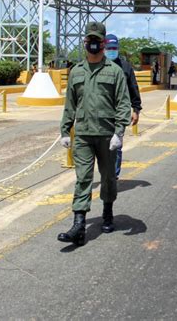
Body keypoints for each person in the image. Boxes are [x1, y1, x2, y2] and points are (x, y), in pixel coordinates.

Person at [58, 21, 131, 246]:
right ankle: (79, 224)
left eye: (97, 41)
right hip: (83, 135)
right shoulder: (76, 71)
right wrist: (64, 130)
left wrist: (119, 132)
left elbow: (123, 103)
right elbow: (70, 104)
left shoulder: (115, 71)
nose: (93, 45)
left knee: (108, 178)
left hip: (108, 135)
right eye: (89, 40)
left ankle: (108, 213)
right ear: (84, 42)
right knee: (83, 178)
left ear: (103, 43)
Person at [105, 33, 142, 179]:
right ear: (104, 48)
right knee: (101, 146)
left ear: (118, 48)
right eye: (109, 48)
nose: (112, 50)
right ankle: (105, 173)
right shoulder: (97, 64)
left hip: (119, 113)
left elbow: (134, 87)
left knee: (117, 145)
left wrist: (136, 109)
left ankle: (113, 176)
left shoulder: (125, 67)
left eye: (114, 48)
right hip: (100, 113)